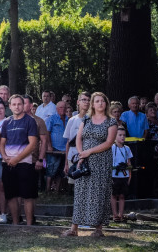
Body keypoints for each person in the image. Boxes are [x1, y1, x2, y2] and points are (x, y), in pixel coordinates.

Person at [62, 92, 118, 238]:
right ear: (92, 104)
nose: (100, 103)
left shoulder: (111, 121)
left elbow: (109, 142)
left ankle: (98, 229)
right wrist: (81, 154)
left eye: (102, 101)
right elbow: (78, 138)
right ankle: (74, 228)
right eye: (97, 101)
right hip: (84, 160)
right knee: (80, 192)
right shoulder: (86, 119)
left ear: (106, 104)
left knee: (98, 193)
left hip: (101, 161)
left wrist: (89, 152)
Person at [0, 94, 38, 227]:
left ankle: (29, 225)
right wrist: (4, 157)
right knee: (11, 195)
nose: (17, 107)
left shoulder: (30, 121)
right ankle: (15, 224)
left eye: (19, 104)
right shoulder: (6, 122)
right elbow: (1, 143)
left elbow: (32, 144)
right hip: (8, 164)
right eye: (14, 104)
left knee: (27, 195)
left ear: (24, 105)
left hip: (24, 164)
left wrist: (17, 159)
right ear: (9, 106)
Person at [45, 100, 69, 193]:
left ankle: (57, 191)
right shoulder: (51, 119)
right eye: (60, 107)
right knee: (51, 171)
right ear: (56, 109)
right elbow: (47, 133)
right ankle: (47, 190)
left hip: (65, 149)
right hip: (54, 148)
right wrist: (49, 146)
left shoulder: (69, 119)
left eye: (64, 107)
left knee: (61, 172)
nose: (63, 109)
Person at [111, 126, 132, 222]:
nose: (122, 137)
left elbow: (129, 163)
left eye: (124, 135)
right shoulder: (111, 147)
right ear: (115, 136)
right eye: (120, 135)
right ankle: (115, 214)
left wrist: (129, 175)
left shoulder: (127, 148)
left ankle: (121, 214)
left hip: (124, 175)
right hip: (114, 175)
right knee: (114, 194)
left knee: (122, 195)